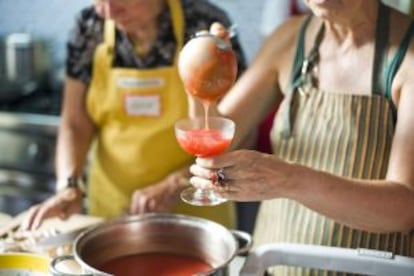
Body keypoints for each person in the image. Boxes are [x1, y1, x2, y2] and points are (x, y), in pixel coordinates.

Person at [189, 0, 414, 274]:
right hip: (273, 265)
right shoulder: (290, 38)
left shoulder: (407, 56)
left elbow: (404, 210)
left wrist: (287, 179)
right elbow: (212, 134)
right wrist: (201, 74)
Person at [22, 0, 246, 231]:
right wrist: (69, 186)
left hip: (199, 211)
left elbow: (240, 130)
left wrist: (177, 183)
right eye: (99, 1)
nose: (108, 11)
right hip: (114, 210)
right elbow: (75, 123)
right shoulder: (89, 26)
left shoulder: (202, 24)